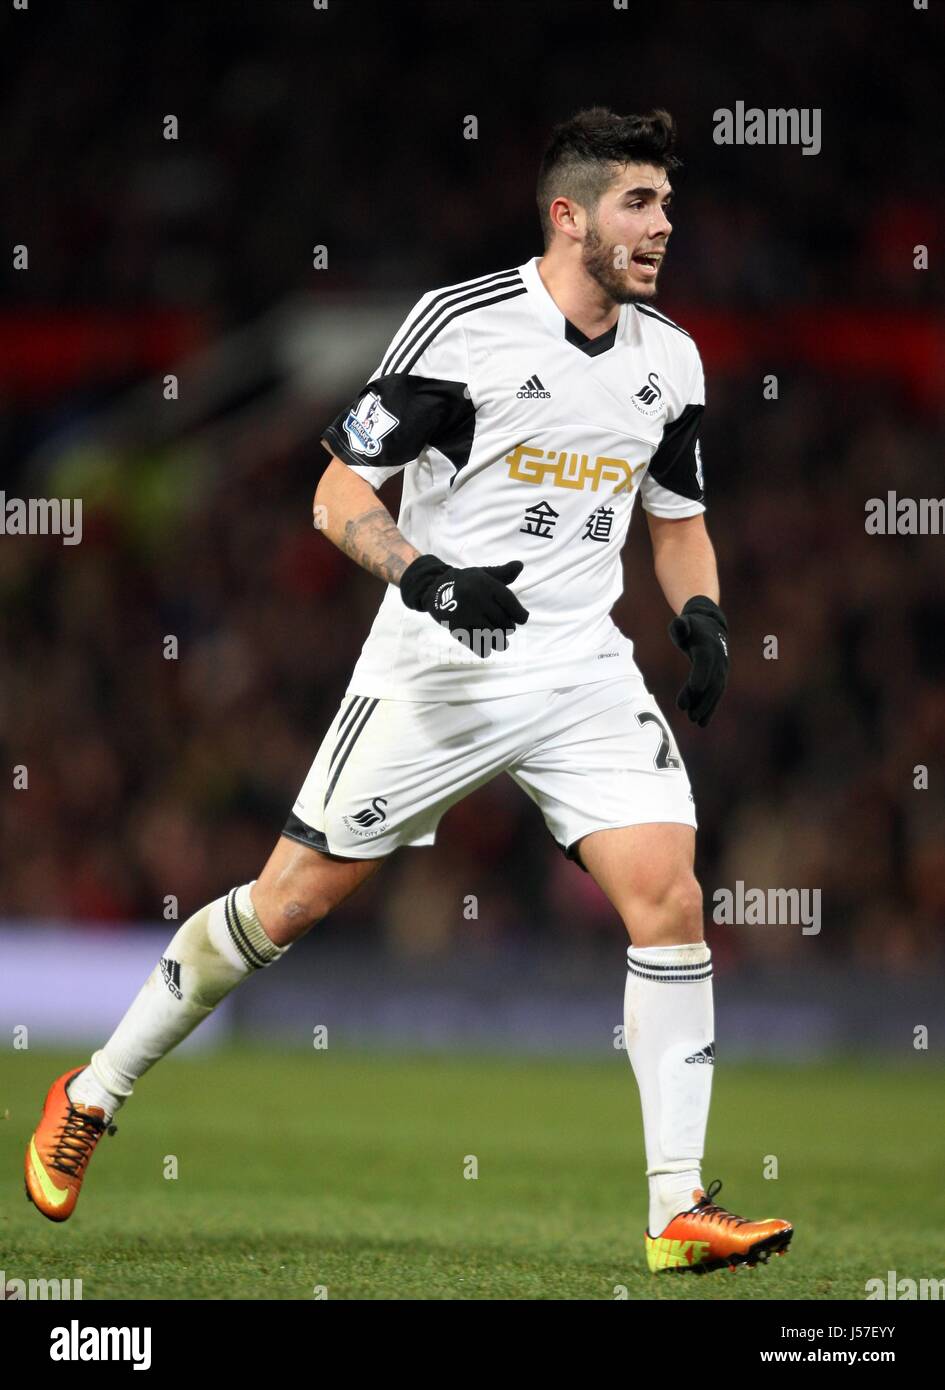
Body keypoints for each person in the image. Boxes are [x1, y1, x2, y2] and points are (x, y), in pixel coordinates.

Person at [26, 106, 791, 1275]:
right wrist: (428, 578)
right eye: (641, 205)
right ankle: (93, 1088)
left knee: (671, 900)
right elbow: (339, 498)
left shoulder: (669, 360)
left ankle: (677, 1209)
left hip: (582, 668)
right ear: (568, 215)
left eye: (670, 209)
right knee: (286, 905)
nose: (663, 228)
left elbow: (678, 523)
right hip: (436, 669)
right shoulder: (463, 329)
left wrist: (703, 617)